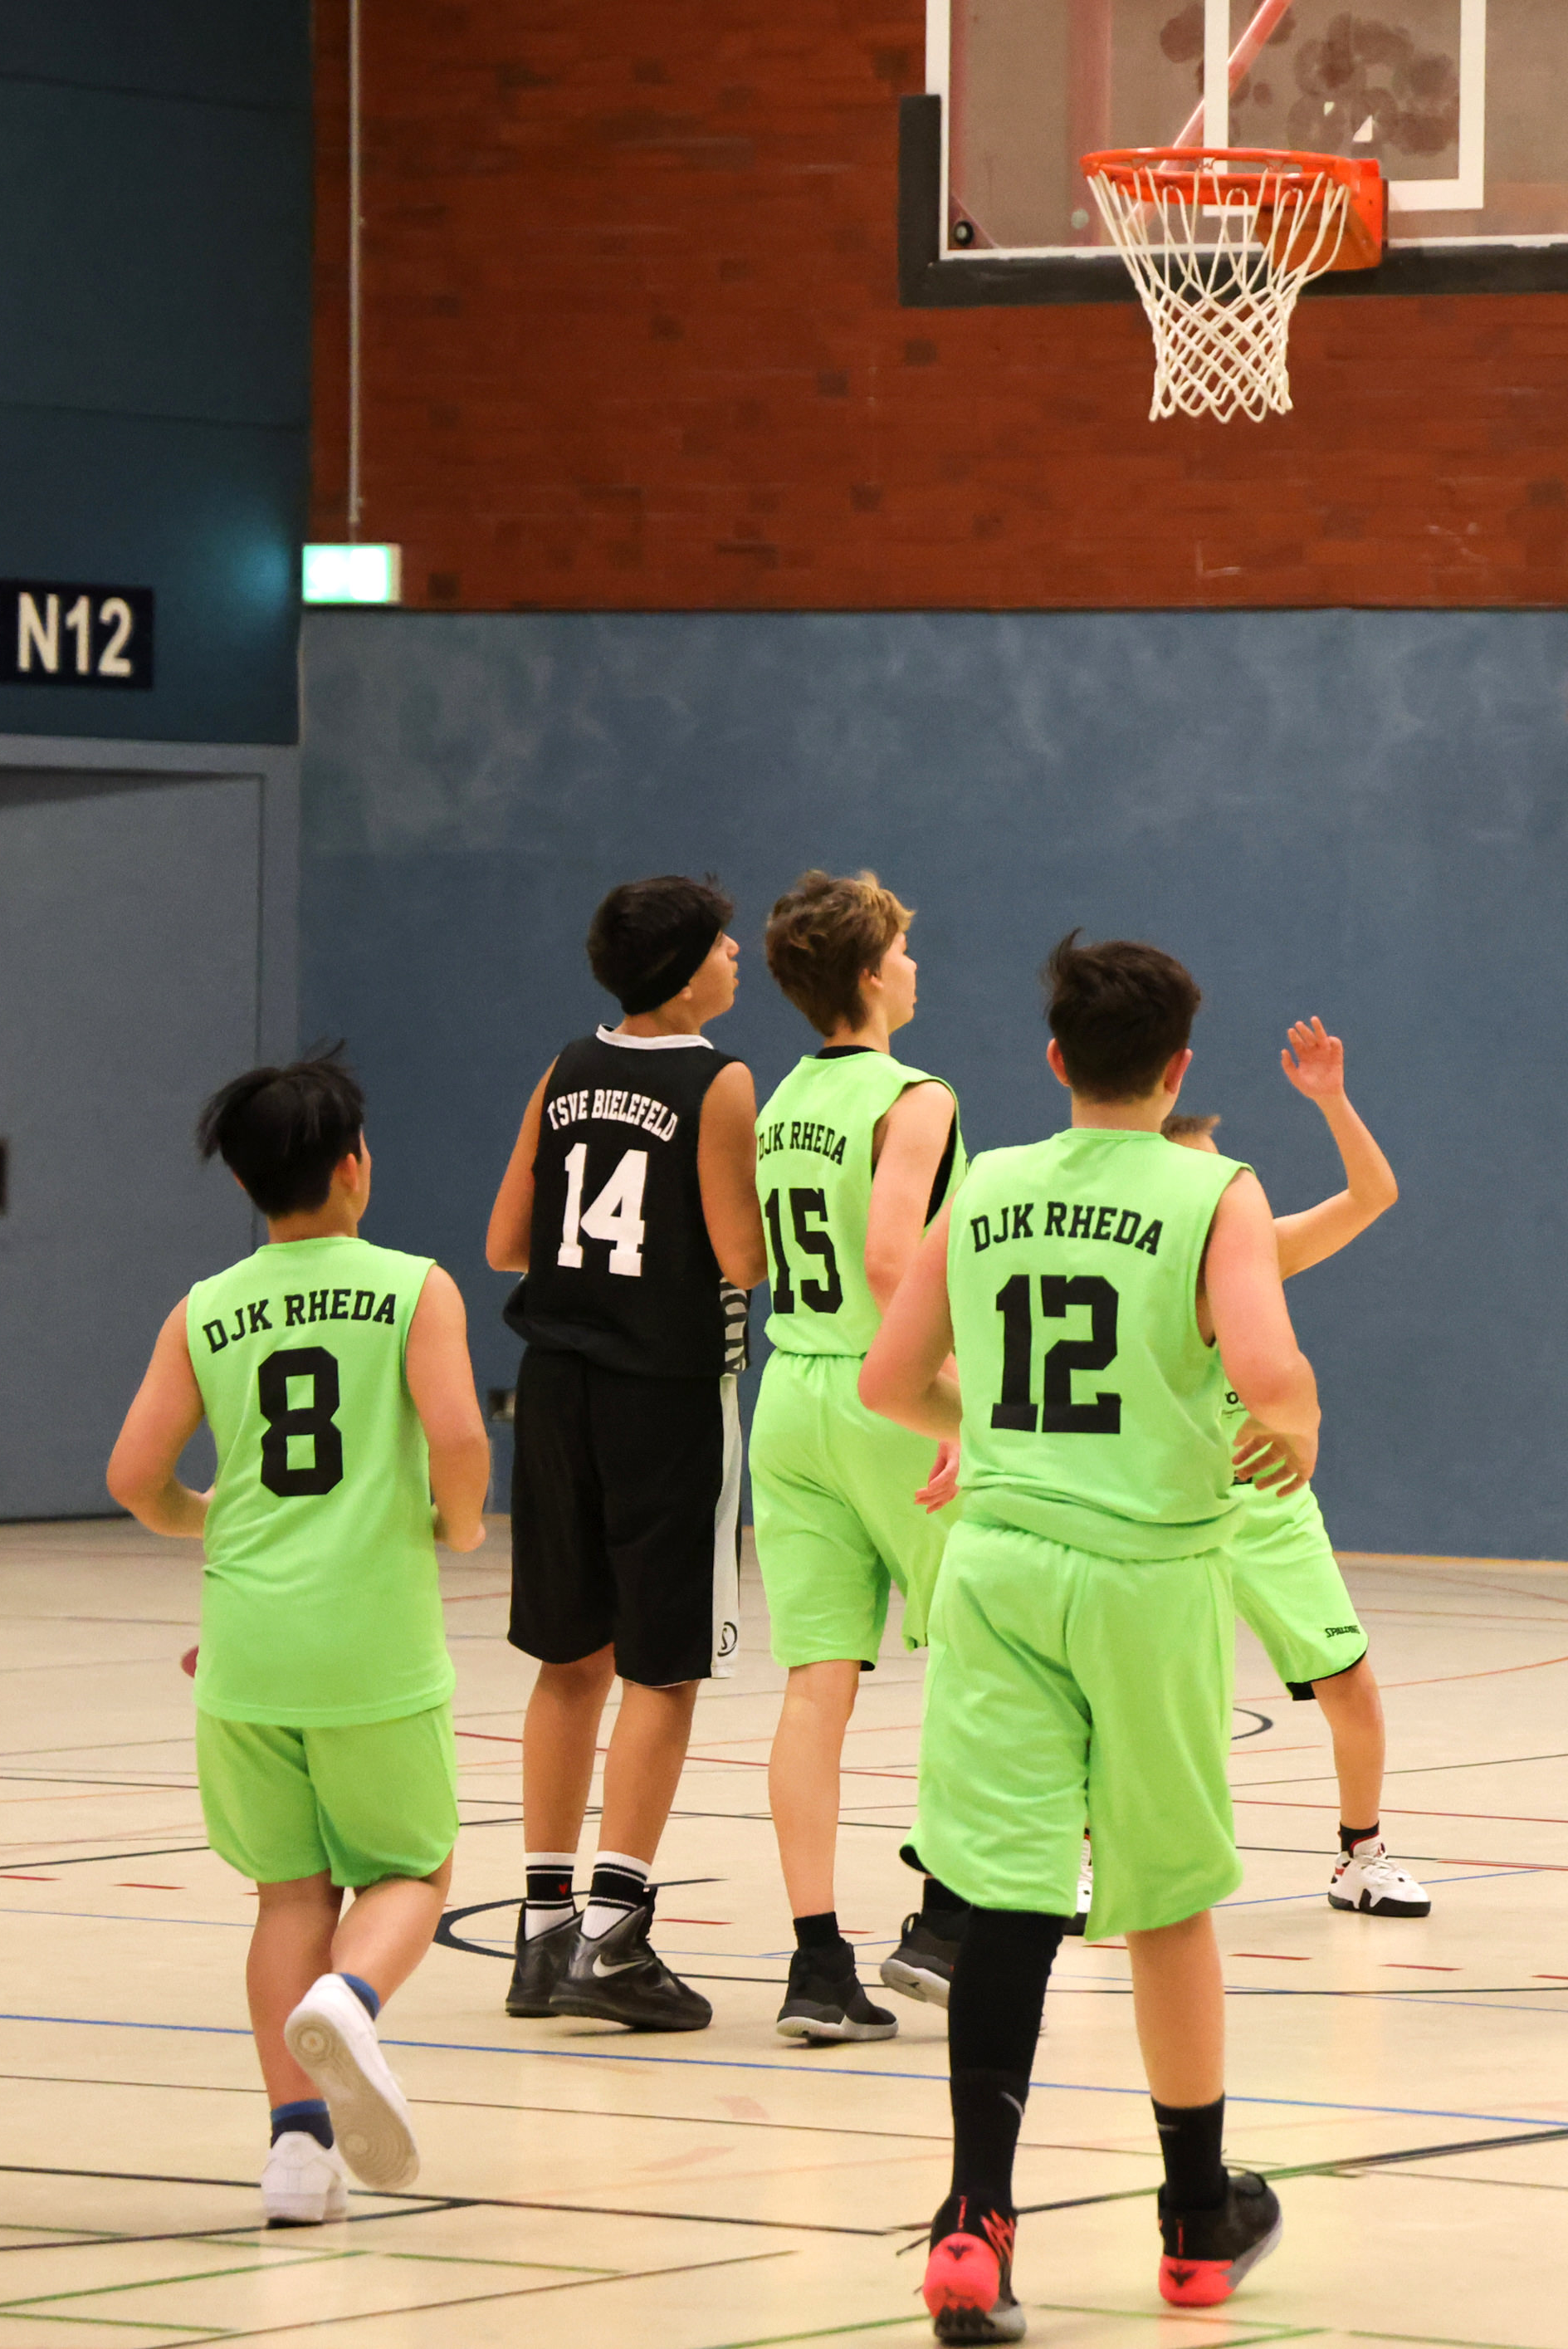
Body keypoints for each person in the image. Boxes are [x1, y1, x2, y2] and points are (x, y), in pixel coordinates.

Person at [859, 934, 1315, 2342]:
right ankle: (1193, 2217)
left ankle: (972, 2223)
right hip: (1145, 1576)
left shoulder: (988, 1182)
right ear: (1180, 1068)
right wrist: (1296, 1422)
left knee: (1006, 1897)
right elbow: (1266, 1367)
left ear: (1055, 1058)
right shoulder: (1214, 1188)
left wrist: (990, 1430)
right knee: (1164, 1897)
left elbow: (890, 1380)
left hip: (997, 1567)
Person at [106, 1050, 491, 2224]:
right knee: (413, 1872)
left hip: (246, 1647)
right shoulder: (415, 1288)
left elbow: (134, 1477)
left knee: (287, 1895)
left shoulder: (204, 1309)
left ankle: (296, 2153)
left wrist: (209, 1517)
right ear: (355, 1167)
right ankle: (350, 2002)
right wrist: (460, 1524)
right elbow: (459, 1437)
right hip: (371, 1643)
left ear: (244, 1184)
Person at [482, 877, 770, 2029]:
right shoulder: (719, 1079)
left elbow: (506, 1239)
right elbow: (742, 1257)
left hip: (556, 1388)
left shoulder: (564, 1068)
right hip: (665, 1394)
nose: (737, 952)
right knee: (664, 1666)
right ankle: (614, 1934)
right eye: (721, 941)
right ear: (685, 968)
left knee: (569, 1659)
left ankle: (542, 1931)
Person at [744, 870, 970, 2043]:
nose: (919, 968)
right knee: (979, 1649)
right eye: (906, 951)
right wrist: (957, 1406)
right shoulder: (914, 1095)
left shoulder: (782, 1097)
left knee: (813, 1687)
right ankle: (944, 1920)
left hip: (788, 1397)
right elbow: (890, 1261)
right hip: (883, 1393)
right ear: (874, 975)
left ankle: (815, 1965)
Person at [1161, 1017, 1424, 1917]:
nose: (1221, 1188)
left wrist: (1332, 1101)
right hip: (1164, 1503)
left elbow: (1373, 1193)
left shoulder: (1256, 1250)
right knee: (1137, 1697)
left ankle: (1361, 1856)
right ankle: (1092, 1852)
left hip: (1265, 1503)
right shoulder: (1130, 1266)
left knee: (1350, 1682)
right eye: (1199, 1172)